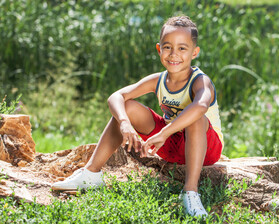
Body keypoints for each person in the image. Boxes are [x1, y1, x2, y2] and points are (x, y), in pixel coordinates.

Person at [52, 15, 224, 217]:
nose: (174, 54)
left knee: (196, 117)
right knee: (127, 107)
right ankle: (91, 174)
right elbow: (115, 97)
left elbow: (200, 106)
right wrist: (125, 123)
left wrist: (164, 132)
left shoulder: (200, 81)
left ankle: (190, 192)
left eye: (182, 48)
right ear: (159, 49)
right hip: (170, 144)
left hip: (206, 149)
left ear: (194, 52)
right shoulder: (158, 80)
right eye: (168, 47)